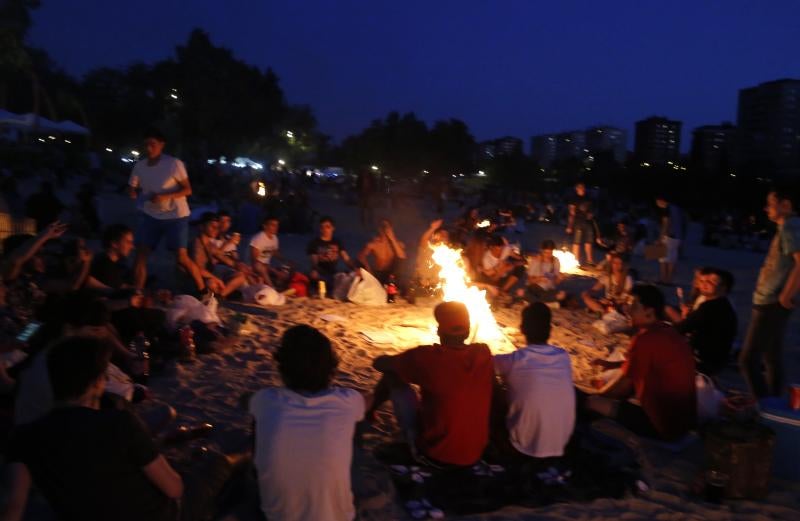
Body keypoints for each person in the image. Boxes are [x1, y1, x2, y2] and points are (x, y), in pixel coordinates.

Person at [249, 325, 368, 521]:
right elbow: (365, 403)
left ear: (282, 367)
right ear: (331, 367)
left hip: (275, 516)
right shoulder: (349, 401)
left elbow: (251, 405)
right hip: (338, 517)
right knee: (358, 425)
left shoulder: (264, 400)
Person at [367, 302, 493, 466]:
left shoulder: (426, 357)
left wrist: (401, 359)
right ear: (468, 330)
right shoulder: (483, 353)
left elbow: (379, 364)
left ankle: (370, 412)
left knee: (393, 375)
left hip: (436, 454)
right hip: (476, 453)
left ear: (439, 330)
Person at [590, 285, 696, 441]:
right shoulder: (668, 331)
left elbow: (620, 390)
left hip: (663, 427)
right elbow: (641, 364)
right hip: (685, 423)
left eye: (633, 305)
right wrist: (611, 365)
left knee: (593, 402)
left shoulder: (645, 339)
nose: (628, 310)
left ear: (649, 312)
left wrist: (596, 395)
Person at [492, 303, 575, 460]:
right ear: (550, 330)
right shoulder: (563, 356)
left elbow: (484, 364)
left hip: (522, 447)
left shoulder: (515, 360)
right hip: (561, 443)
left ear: (522, 329)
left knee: (493, 385)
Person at [128, 128, 205, 294]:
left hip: (176, 215)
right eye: (146, 144)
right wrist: (133, 192)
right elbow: (132, 185)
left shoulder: (173, 164)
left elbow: (187, 190)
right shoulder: (140, 166)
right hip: (151, 215)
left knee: (181, 257)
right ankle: (137, 291)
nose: (149, 148)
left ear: (161, 145)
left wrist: (165, 196)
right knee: (141, 254)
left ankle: (203, 290)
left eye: (152, 144)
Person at [739, 189, 800, 398]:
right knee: (771, 356)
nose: (766, 208)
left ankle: (763, 406)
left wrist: (785, 296)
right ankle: (773, 403)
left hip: (771, 301)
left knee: (747, 360)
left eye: (771, 203)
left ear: (786, 205)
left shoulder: (790, 227)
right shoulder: (788, 227)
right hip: (771, 299)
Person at [675, 268, 738, 376]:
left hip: (702, 359)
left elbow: (681, 328)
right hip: (714, 359)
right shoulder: (722, 304)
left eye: (712, 282)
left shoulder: (710, 307)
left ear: (723, 288)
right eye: (704, 281)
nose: (706, 284)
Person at [192, 213, 246, 298]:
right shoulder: (197, 243)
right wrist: (216, 279)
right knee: (212, 283)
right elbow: (197, 269)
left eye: (217, 227)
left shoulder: (209, 244)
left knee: (240, 276)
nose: (215, 229)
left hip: (211, 274)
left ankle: (220, 295)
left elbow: (222, 257)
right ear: (202, 226)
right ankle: (220, 294)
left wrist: (239, 266)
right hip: (198, 277)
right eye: (212, 226)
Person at [306, 216, 357, 296]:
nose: (325, 230)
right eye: (322, 227)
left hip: (333, 273)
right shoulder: (314, 243)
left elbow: (346, 258)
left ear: (333, 228)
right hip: (320, 274)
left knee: (347, 276)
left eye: (328, 227)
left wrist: (355, 269)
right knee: (316, 278)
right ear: (320, 229)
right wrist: (316, 271)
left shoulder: (337, 242)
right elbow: (314, 262)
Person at [357, 219, 407, 284]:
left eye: (386, 226)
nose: (384, 229)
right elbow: (360, 256)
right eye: (382, 226)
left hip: (392, 275)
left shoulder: (398, 244)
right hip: (378, 273)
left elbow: (402, 257)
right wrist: (368, 268)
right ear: (379, 229)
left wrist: (392, 237)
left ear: (391, 228)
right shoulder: (373, 244)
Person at [249, 216, 291, 288]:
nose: (276, 227)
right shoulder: (259, 238)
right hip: (254, 266)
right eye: (273, 225)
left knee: (288, 266)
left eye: (277, 225)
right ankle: (272, 287)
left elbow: (274, 252)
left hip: (266, 266)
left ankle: (280, 284)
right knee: (261, 267)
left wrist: (285, 260)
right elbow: (254, 261)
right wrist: (275, 271)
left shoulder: (274, 237)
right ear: (265, 226)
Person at [522, 239, 565, 304]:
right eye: (546, 253)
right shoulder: (536, 260)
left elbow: (555, 282)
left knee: (562, 295)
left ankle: (533, 300)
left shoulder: (556, 261)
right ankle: (547, 301)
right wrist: (540, 279)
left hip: (548, 289)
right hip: (535, 287)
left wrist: (560, 278)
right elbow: (529, 281)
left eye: (550, 253)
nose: (548, 255)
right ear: (542, 251)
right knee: (535, 291)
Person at [655, 194, 684, 285]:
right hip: (678, 236)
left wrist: (660, 238)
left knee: (662, 258)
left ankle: (663, 279)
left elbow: (666, 224)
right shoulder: (677, 209)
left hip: (668, 236)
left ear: (661, 201)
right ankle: (669, 280)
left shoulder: (666, 209)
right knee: (672, 259)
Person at [566, 182, 597, 266]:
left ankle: (590, 260)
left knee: (589, 241)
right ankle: (575, 260)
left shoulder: (589, 198)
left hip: (588, 222)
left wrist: (591, 214)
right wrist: (569, 226)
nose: (581, 189)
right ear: (576, 189)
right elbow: (571, 212)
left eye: (583, 187)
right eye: (579, 187)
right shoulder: (573, 199)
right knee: (577, 241)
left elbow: (592, 210)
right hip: (578, 222)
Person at [414, 218, 449, 291]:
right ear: (435, 236)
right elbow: (423, 240)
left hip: (438, 290)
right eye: (441, 235)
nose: (443, 238)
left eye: (446, 236)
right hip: (421, 288)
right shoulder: (427, 249)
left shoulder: (449, 255)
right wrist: (433, 228)